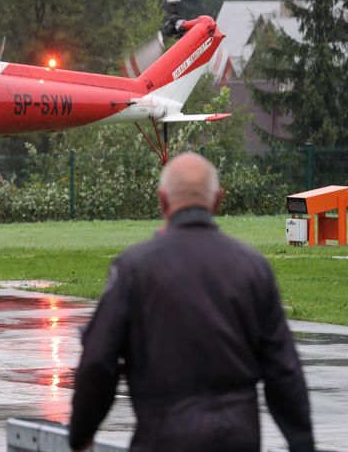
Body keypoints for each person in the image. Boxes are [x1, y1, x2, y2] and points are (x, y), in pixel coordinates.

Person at [69, 153, 313, 452]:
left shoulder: (134, 268)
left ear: (162, 201)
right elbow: (283, 370)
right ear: (218, 200)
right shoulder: (252, 268)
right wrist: (302, 443)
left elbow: (98, 361)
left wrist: (81, 435)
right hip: (237, 439)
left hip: (161, 438)